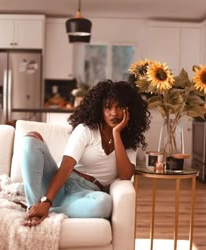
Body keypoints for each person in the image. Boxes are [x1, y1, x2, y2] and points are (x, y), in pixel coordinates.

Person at [21, 79, 150, 226]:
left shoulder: (130, 140)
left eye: (119, 107)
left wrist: (116, 134)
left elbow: (125, 175)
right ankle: (33, 208)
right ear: (99, 109)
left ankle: (47, 210)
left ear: (129, 109)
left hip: (86, 195)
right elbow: (65, 168)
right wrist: (48, 199)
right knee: (30, 141)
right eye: (108, 107)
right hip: (61, 185)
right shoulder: (86, 130)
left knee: (105, 203)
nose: (114, 113)